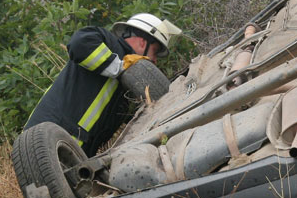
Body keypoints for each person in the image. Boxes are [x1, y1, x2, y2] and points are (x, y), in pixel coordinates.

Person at [24, 13, 182, 156]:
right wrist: (119, 67)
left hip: (72, 150)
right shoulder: (108, 43)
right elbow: (79, 43)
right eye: (155, 52)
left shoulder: (127, 83)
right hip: (47, 134)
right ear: (142, 42)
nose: (155, 61)